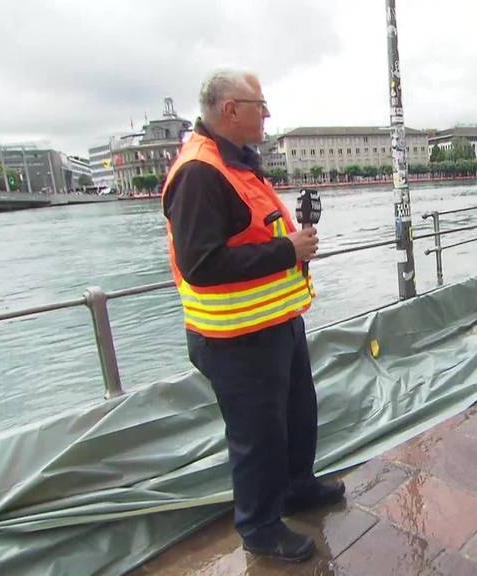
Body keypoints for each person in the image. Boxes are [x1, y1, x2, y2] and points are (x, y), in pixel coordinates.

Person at [162, 69, 343, 562]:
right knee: (256, 435)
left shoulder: (237, 164)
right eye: (259, 105)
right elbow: (202, 265)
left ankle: (297, 486)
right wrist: (288, 251)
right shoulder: (200, 173)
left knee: (297, 413)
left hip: (275, 322)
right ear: (229, 110)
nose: (266, 114)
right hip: (234, 337)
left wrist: (291, 251)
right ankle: (260, 526)